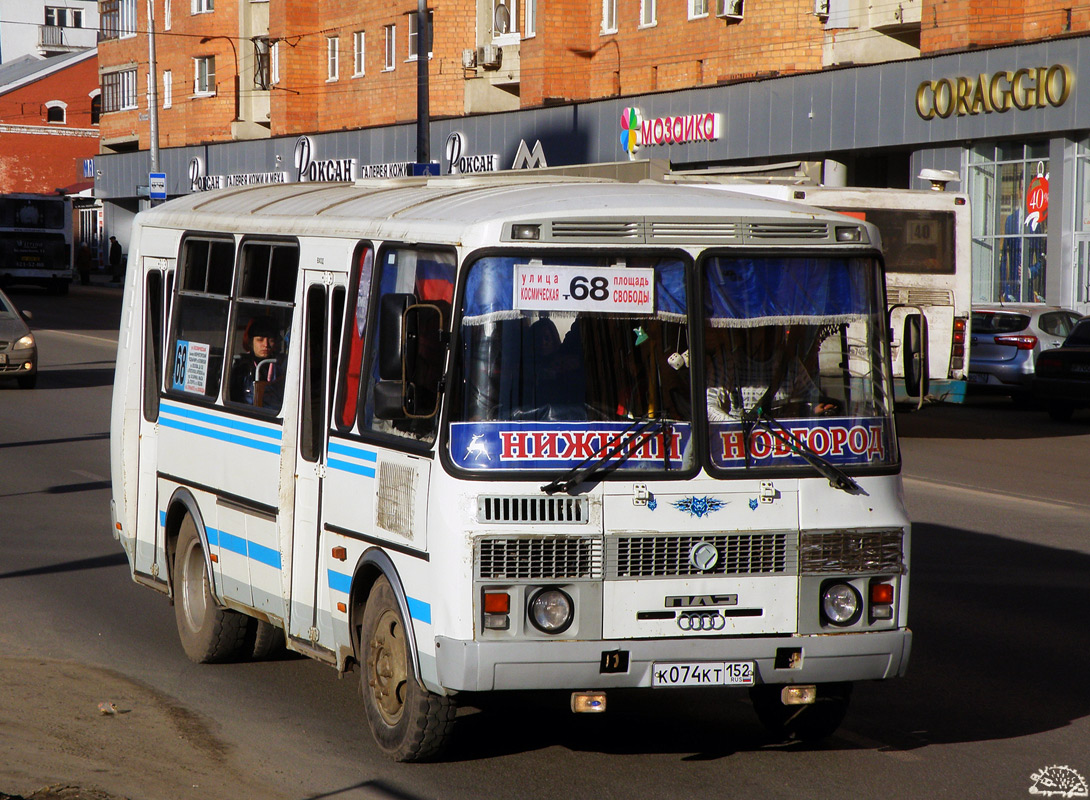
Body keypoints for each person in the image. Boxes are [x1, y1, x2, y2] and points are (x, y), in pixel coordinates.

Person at [705, 325, 836, 421]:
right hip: (742, 447)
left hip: (783, 444)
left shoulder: (790, 365)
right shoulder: (727, 362)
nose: (770, 334)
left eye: (773, 328)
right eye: (763, 328)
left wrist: (819, 409)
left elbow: (814, 399)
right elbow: (709, 407)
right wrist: (735, 426)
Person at [230, 316, 286, 410]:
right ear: (251, 342)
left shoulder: (280, 364)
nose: (266, 345)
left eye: (271, 340)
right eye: (260, 340)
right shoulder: (242, 367)